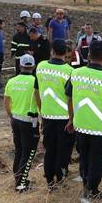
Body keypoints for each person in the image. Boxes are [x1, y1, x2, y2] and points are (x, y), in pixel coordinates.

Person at [66, 40, 102, 200]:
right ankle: (92, 190)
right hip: (99, 128)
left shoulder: (76, 73)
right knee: (98, 159)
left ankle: (86, 184)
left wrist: (71, 120)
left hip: (81, 126)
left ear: (89, 55)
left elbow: (69, 98)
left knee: (84, 157)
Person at [34, 40, 74, 190]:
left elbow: (36, 92)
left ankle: (50, 181)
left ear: (52, 51)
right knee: (63, 149)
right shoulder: (70, 71)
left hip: (47, 115)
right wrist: (72, 118)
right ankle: (60, 177)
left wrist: (41, 111)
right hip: (64, 117)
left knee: (49, 149)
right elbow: (72, 98)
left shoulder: (41, 67)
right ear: (65, 53)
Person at [4, 54, 40, 191]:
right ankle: (21, 184)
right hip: (30, 122)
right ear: (34, 67)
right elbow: (39, 101)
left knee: (19, 150)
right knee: (29, 152)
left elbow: (6, 102)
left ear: (20, 66)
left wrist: (11, 117)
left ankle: (18, 178)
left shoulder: (12, 81)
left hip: (16, 120)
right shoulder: (35, 82)